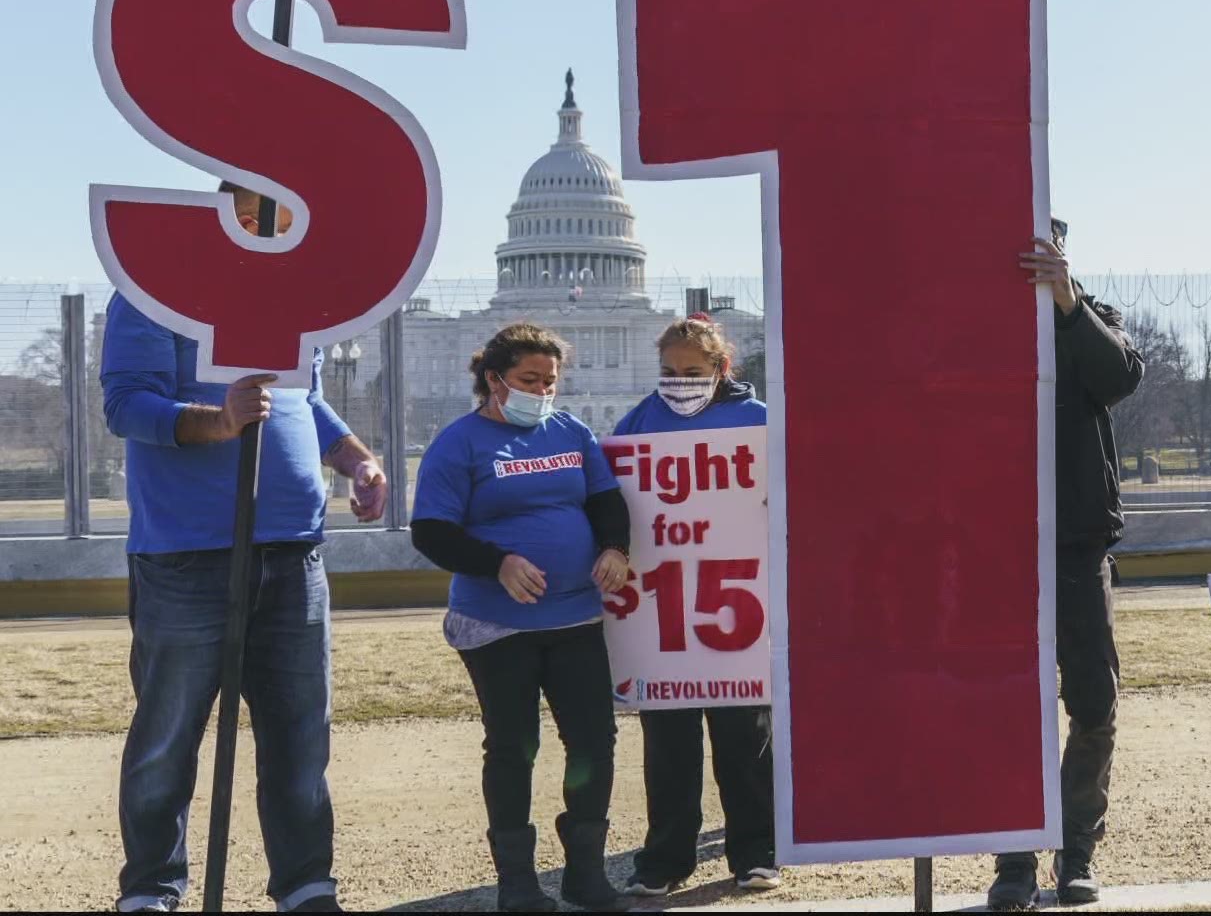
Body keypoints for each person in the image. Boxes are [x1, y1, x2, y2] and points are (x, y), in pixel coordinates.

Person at [104, 183, 387, 914]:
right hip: (187, 555)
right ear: (233, 211)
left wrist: (358, 460)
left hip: (295, 553)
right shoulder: (152, 292)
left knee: (300, 733)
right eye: (274, 214)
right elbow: (126, 403)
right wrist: (217, 419)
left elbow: (309, 401)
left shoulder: (293, 297)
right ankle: (152, 889)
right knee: (168, 737)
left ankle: (305, 884)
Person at [409, 323, 635, 913]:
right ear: (494, 380)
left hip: (575, 619)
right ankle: (518, 882)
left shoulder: (569, 429)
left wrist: (615, 547)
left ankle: (586, 872)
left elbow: (605, 499)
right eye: (529, 380)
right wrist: (498, 563)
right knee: (513, 745)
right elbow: (432, 531)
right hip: (496, 624)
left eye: (550, 381)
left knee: (593, 740)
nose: (542, 391)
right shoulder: (458, 443)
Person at [988, 218, 1146, 911]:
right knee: (1010, 710)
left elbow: (1117, 377)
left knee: (1093, 704)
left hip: (1077, 545)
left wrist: (1066, 303)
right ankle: (1014, 861)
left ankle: (1076, 852)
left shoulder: (1090, 316)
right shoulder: (976, 323)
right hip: (996, 547)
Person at [613, 314, 780, 897]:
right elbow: (614, 499)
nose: (678, 381)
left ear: (720, 369)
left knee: (746, 743)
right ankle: (663, 860)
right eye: (668, 371)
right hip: (666, 615)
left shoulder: (759, 422)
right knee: (669, 749)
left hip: (737, 608)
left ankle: (757, 851)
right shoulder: (638, 421)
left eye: (691, 372)